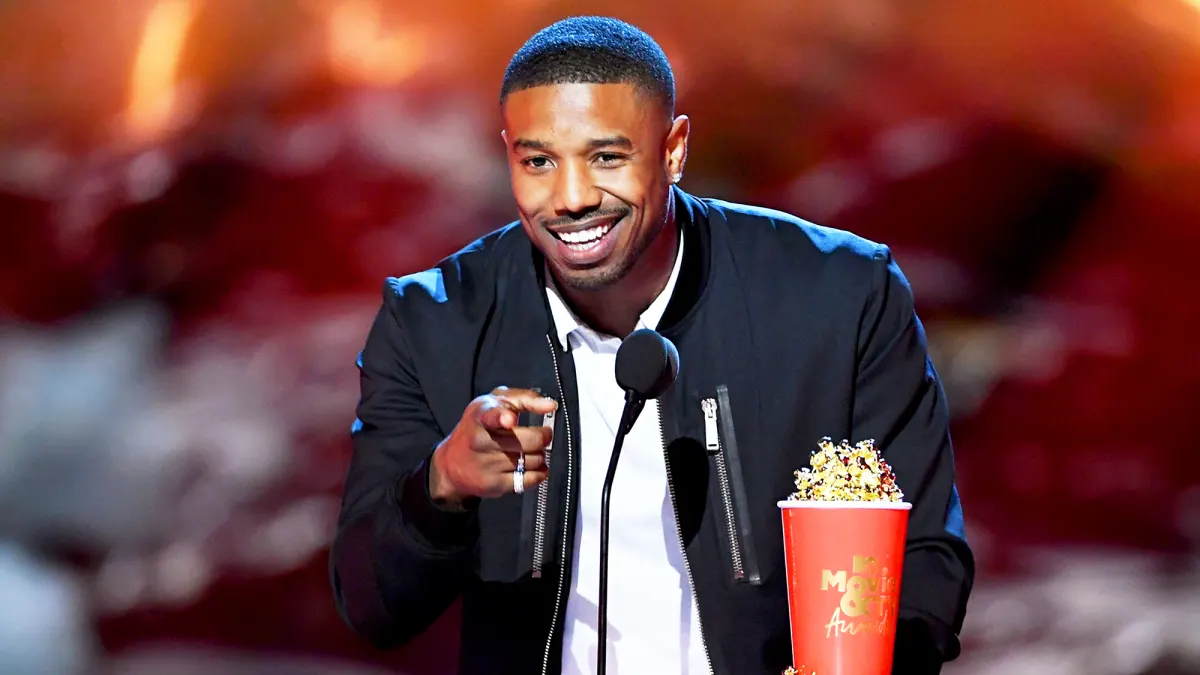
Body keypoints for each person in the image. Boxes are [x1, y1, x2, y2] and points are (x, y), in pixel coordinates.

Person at [330, 15, 973, 675]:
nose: (572, 198)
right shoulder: (433, 320)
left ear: (673, 149)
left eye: (606, 157)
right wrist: (442, 484)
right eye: (538, 161)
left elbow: (924, 557)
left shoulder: (839, 298)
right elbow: (372, 605)